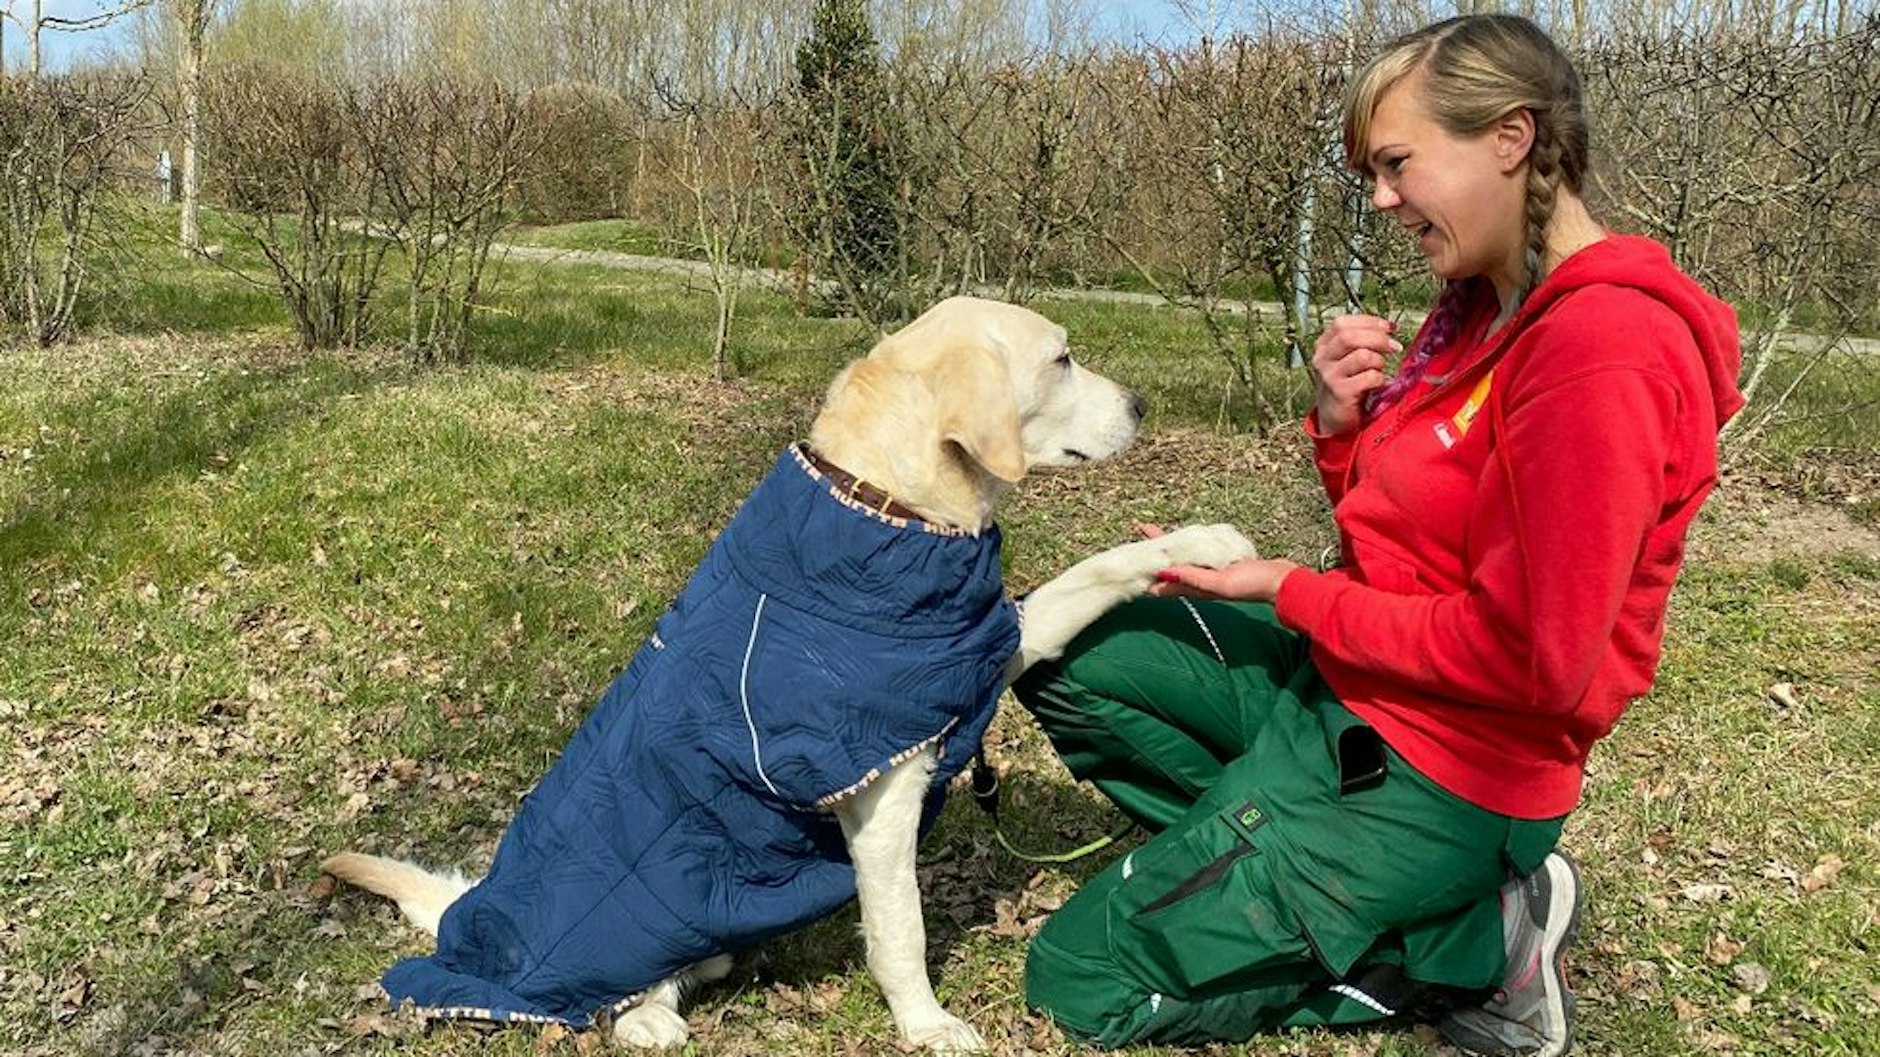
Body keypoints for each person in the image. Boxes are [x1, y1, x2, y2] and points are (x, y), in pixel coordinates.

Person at [1011, 13, 1743, 1057]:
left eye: (1396, 165)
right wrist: (1341, 428)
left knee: (1077, 973)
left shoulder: (1599, 351)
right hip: (1343, 697)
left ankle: (1462, 955)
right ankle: (1258, 859)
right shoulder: (1480, 308)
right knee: (1070, 646)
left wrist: (1285, 590)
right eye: (1369, 174)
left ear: (1509, 137)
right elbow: (1408, 541)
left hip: (1444, 770)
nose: (1381, 200)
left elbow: (1531, 661)